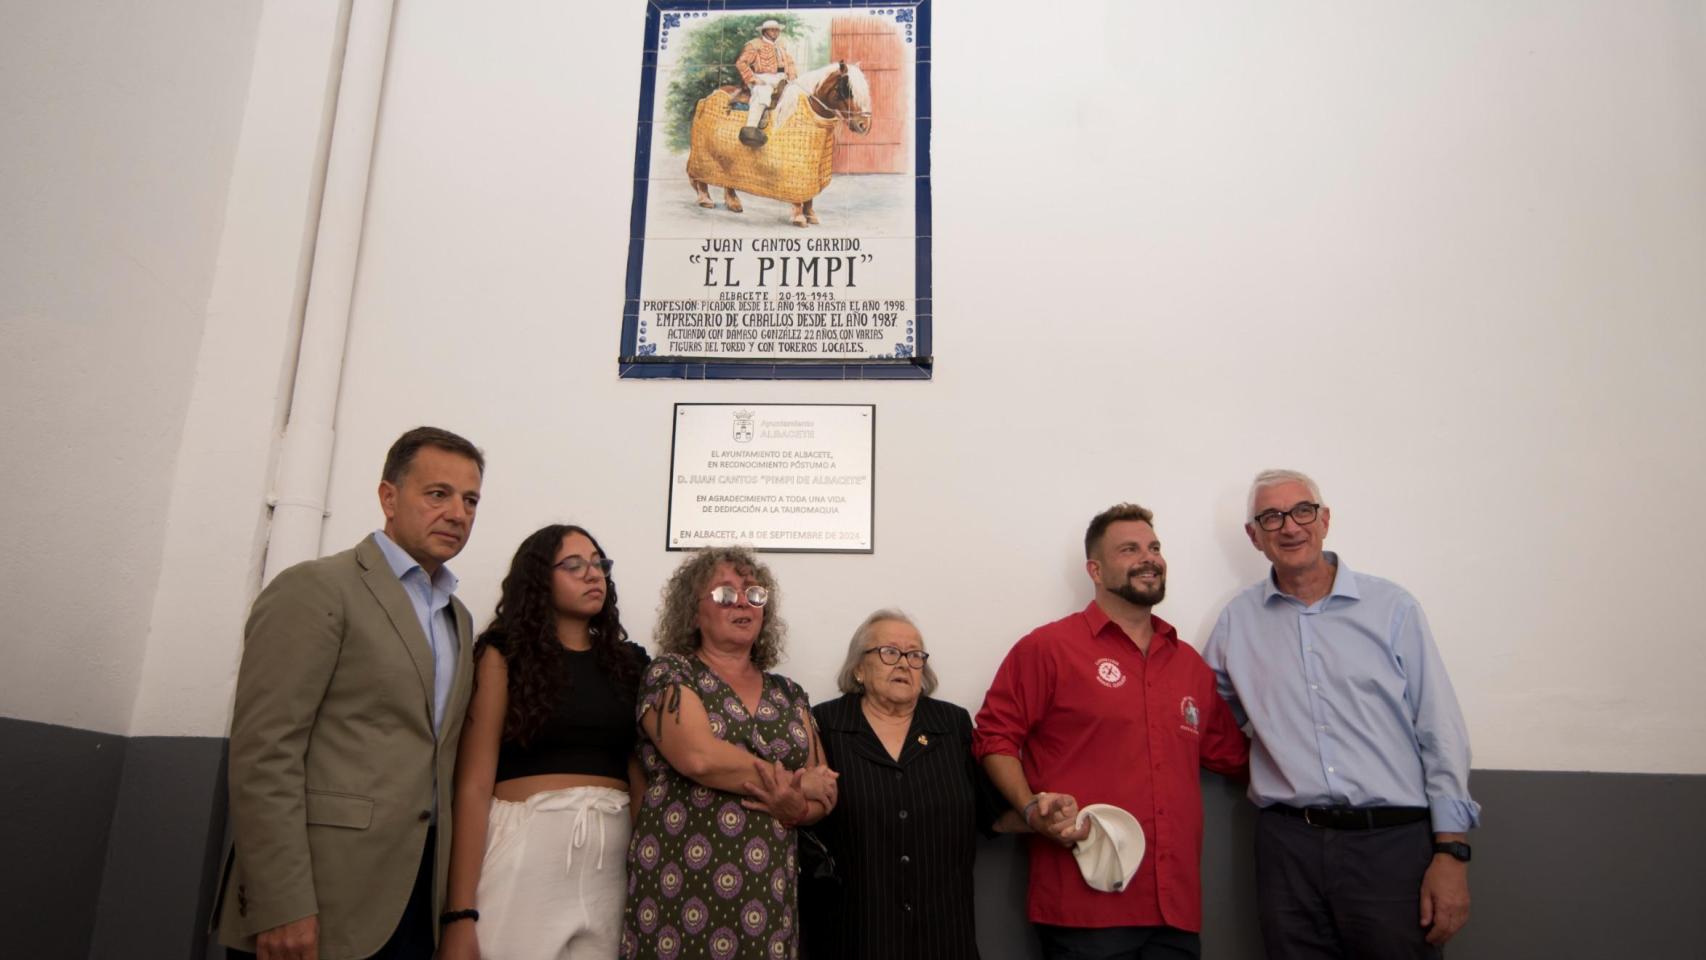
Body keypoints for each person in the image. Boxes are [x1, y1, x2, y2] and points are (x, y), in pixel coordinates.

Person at [215, 426, 485, 960]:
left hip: (413, 896)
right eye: (438, 494)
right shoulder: (318, 588)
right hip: (317, 900)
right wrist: (281, 903)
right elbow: (265, 752)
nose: (457, 512)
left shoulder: (458, 617)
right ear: (389, 497)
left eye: (470, 499)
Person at [1204, 470, 1478, 959]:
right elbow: (1205, 718)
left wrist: (1451, 851)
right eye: (1271, 517)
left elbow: (1440, 730)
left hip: (1392, 845)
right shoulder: (1237, 622)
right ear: (1254, 536)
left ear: (1325, 519)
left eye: (1302, 511)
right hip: (1287, 848)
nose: (1289, 527)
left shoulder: (1392, 608)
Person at [974, 503, 1249, 960]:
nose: (1149, 557)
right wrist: (1028, 809)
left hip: (1174, 911)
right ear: (1095, 570)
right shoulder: (1049, 649)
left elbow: (1237, 759)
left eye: (1154, 547)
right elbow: (994, 737)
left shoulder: (1190, 668)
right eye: (1130, 549)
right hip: (1083, 908)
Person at [439, 524, 651, 960]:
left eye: (599, 564)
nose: (594, 575)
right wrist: (459, 914)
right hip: (526, 849)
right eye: (574, 566)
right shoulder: (503, 654)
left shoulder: (629, 663)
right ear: (538, 579)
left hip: (610, 863)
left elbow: (639, 774)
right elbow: (474, 785)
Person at [621, 546, 837, 960]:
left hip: (768, 899)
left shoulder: (789, 693)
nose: (742, 602)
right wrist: (794, 782)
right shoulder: (671, 673)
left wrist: (795, 806)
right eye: (724, 594)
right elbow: (698, 757)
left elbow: (823, 790)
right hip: (679, 889)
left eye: (754, 594)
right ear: (693, 611)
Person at [802, 609, 1016, 960]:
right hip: (854, 934)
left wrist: (1038, 811)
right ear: (859, 668)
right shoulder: (825, 724)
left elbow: (991, 811)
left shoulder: (952, 724)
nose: (903, 663)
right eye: (888, 652)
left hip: (944, 935)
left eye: (914, 655)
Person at [735, 19, 798, 145]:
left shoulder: (781, 45)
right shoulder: (754, 45)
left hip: (781, 77)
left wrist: (792, 75)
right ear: (765, 31)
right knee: (762, 92)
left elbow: (790, 63)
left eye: (777, 30)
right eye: (772, 29)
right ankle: (751, 129)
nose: (775, 32)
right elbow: (741, 63)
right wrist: (753, 79)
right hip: (762, 77)